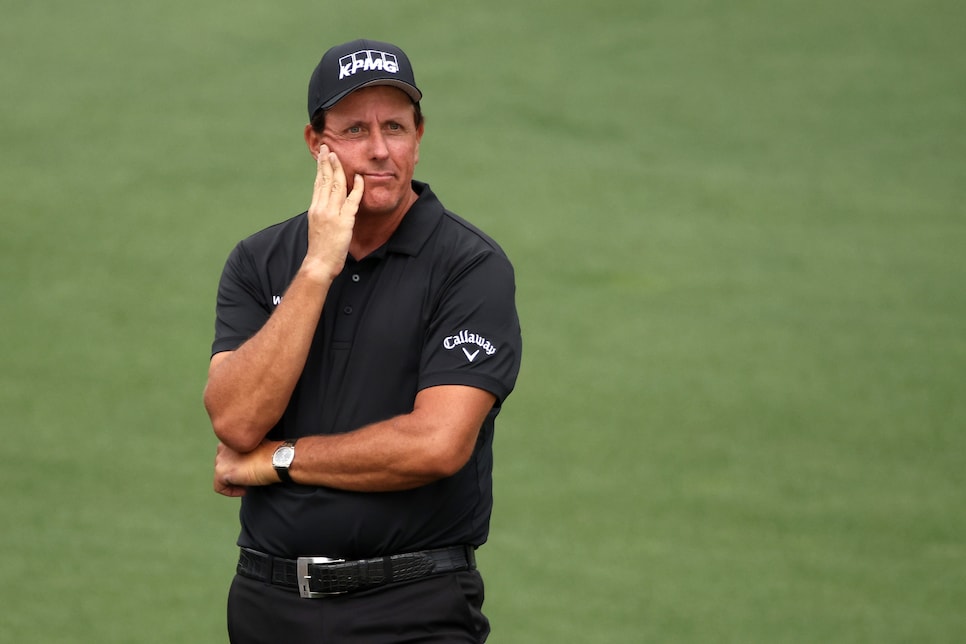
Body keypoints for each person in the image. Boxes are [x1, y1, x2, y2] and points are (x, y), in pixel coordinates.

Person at [204, 38, 522, 643]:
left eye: (395, 127)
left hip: (412, 610)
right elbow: (237, 422)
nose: (380, 150)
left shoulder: (469, 267)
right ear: (315, 143)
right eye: (354, 129)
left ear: (419, 136)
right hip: (267, 606)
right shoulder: (260, 261)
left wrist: (280, 460)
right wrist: (317, 267)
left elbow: (436, 444)